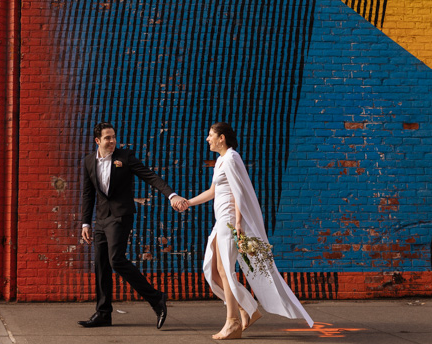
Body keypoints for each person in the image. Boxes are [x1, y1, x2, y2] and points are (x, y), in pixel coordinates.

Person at [185, 122, 313, 339]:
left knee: (225, 270)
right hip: (221, 221)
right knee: (213, 271)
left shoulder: (232, 158)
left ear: (222, 138)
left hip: (230, 221)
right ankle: (248, 309)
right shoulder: (221, 160)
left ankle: (233, 322)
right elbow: (213, 191)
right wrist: (188, 202)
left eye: (210, 135)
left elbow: (240, 193)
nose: (208, 139)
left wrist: (238, 224)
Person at [79, 121, 189, 329]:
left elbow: (150, 177)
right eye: (107, 138)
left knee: (116, 260)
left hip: (121, 216)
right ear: (97, 141)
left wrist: (171, 195)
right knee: (101, 264)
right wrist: (85, 222)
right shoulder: (88, 162)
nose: (112, 141)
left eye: (113, 137)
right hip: (101, 219)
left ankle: (156, 299)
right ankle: (103, 313)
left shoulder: (125, 157)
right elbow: (88, 194)